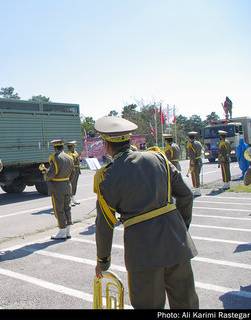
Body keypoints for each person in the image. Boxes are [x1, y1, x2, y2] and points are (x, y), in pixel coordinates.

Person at [93, 116, 199, 309]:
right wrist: (181, 229)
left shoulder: (106, 178)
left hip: (143, 251)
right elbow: (185, 196)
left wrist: (103, 262)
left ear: (107, 145)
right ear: (130, 140)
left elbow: (104, 226)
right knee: (187, 304)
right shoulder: (158, 157)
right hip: (178, 244)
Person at [41, 139, 74, 240]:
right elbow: (73, 173)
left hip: (57, 186)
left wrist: (44, 172)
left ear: (55, 148)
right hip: (67, 185)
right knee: (67, 208)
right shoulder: (70, 157)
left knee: (59, 209)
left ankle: (62, 231)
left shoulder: (55, 158)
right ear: (63, 147)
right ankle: (68, 230)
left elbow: (52, 173)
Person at [186, 131, 203, 196]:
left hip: (195, 161)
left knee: (195, 176)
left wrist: (192, 164)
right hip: (199, 160)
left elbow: (192, 155)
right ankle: (197, 189)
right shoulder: (198, 143)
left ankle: (197, 190)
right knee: (197, 175)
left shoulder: (191, 145)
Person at [66, 140, 81, 206]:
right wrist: (77, 158)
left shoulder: (75, 152)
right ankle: (69, 199)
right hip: (72, 169)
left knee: (75, 183)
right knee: (71, 183)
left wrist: (79, 158)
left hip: (77, 169)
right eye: (73, 146)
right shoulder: (68, 153)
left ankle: (73, 197)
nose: (74, 147)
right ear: (71, 147)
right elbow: (71, 161)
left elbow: (78, 159)